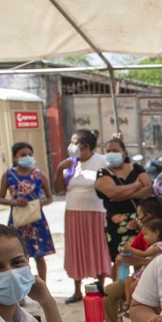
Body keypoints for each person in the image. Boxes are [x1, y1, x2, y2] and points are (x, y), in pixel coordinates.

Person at [103, 196, 162, 322]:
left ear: (147, 216)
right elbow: (133, 251)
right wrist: (122, 257)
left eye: (139, 215)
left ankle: (139, 317)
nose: (137, 218)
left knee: (137, 288)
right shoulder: (146, 232)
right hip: (142, 276)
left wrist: (139, 262)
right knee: (107, 293)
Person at [53, 129, 111, 304]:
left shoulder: (101, 161)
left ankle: (99, 286)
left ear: (86, 146)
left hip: (96, 212)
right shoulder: (70, 164)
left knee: (97, 247)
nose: (71, 146)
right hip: (73, 212)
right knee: (76, 248)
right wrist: (58, 171)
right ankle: (77, 290)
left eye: (75, 142)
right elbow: (58, 189)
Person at [0, 142, 55, 282]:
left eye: (30, 154)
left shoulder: (39, 175)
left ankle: (43, 286)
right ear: (14, 157)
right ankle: (21, 288)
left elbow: (49, 198)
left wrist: (36, 205)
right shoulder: (8, 175)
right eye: (23, 155)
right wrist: (14, 202)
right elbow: (0, 198)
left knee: (39, 256)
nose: (27, 157)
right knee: (19, 257)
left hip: (36, 220)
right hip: (18, 221)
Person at [95, 138, 152, 270]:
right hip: (116, 221)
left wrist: (122, 194)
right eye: (108, 151)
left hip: (140, 219)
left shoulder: (137, 168)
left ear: (124, 153)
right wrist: (136, 185)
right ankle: (118, 286)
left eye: (115, 150)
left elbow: (148, 188)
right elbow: (112, 193)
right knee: (119, 258)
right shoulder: (103, 172)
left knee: (141, 256)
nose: (111, 153)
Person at [121, 218, 162, 312]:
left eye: (146, 234)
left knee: (133, 286)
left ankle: (135, 307)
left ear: (156, 233)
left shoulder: (160, 246)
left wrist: (130, 248)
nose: (144, 237)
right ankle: (127, 303)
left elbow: (144, 254)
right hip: (142, 272)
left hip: (151, 275)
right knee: (127, 280)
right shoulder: (151, 246)